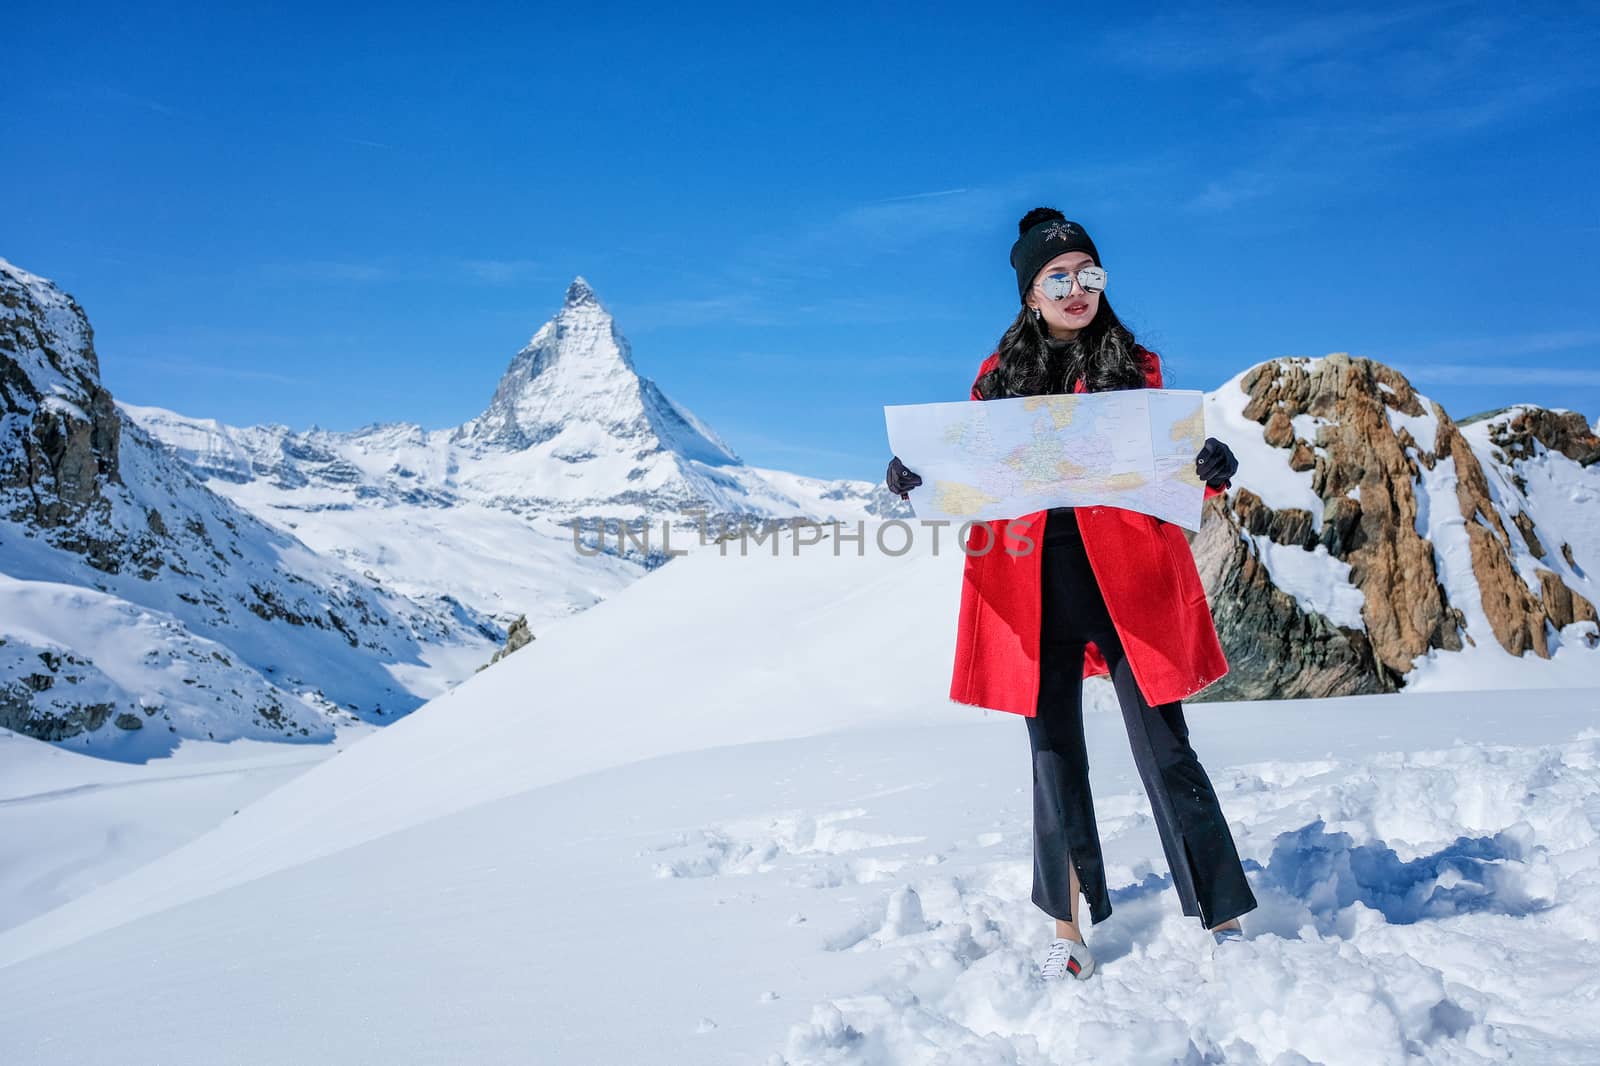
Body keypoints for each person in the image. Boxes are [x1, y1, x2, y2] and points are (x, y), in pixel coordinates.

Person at [885, 207, 1257, 982]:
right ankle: (1067, 926)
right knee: (1053, 755)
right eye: (1059, 277)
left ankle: (1222, 916)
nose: (1077, 288)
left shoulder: (1137, 367)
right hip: (1031, 585)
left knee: (1167, 749)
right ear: (1030, 293)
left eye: (1089, 274)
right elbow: (965, 483)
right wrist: (914, 481)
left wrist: (1210, 468)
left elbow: (1176, 477)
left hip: (1129, 585)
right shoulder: (995, 381)